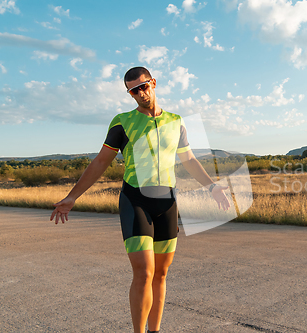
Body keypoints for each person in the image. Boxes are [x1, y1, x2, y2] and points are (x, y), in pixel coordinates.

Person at [50, 66, 230, 333]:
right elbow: (101, 161)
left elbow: (189, 160)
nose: (140, 93)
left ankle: (155, 330)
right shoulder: (122, 122)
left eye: (144, 86)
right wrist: (72, 196)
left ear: (153, 83)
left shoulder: (176, 121)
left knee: (160, 274)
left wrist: (213, 187)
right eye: (133, 90)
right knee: (144, 273)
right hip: (136, 200)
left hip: (167, 203)